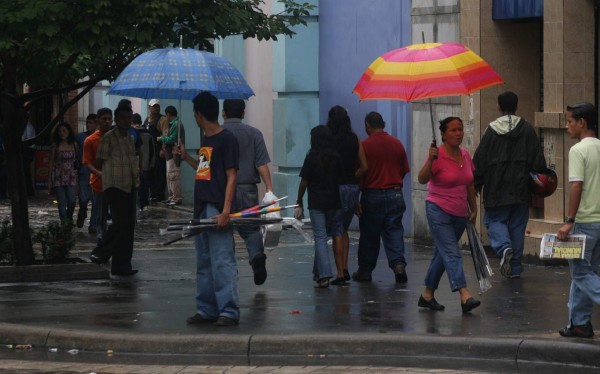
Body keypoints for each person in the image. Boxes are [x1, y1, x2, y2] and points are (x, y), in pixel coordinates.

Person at [175, 92, 240, 327]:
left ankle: (229, 310)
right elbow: (203, 171)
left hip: (217, 207)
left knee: (222, 259)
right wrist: (186, 157)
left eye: (194, 113)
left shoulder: (227, 139)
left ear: (199, 114)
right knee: (203, 260)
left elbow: (232, 175)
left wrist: (226, 210)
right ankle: (206, 309)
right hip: (202, 206)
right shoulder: (206, 140)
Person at [472, 91, 547, 278]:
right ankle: (514, 268)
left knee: (494, 220)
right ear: (517, 106)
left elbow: (479, 160)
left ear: (498, 106)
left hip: (496, 189)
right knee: (517, 226)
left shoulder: (490, 131)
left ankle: (504, 248)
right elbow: (538, 162)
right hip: (521, 189)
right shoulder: (527, 129)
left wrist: (476, 183)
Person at [417, 117, 480, 313]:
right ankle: (464, 294)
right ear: (443, 134)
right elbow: (422, 179)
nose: (458, 133)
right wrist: (431, 159)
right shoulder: (437, 155)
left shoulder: (465, 155)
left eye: (460, 129)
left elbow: (469, 183)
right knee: (452, 251)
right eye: (453, 130)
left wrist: (474, 208)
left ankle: (427, 295)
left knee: (442, 253)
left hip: (460, 213)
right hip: (438, 210)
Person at [556, 103, 600, 338]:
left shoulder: (578, 150)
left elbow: (576, 186)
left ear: (581, 122)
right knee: (587, 272)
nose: (566, 126)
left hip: (584, 222)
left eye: (569, 121)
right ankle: (579, 323)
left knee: (581, 273)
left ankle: (579, 322)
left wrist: (569, 220)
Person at [352, 112, 410, 284]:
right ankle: (399, 265)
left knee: (370, 234)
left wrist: (356, 197)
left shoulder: (364, 146)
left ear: (367, 126)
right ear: (383, 124)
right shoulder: (397, 144)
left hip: (372, 194)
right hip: (395, 192)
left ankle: (365, 271)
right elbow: (403, 170)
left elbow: (361, 174)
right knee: (394, 231)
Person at [222, 99, 272, 286]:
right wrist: (269, 189)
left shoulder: (216, 134)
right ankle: (257, 256)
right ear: (243, 113)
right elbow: (261, 164)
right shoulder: (254, 133)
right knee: (251, 229)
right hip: (247, 189)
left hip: (223, 190)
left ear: (223, 113)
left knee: (224, 230)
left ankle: (229, 268)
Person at [89, 104, 139, 276]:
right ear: (117, 120)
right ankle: (100, 252)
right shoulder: (108, 138)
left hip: (130, 185)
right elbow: (98, 161)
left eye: (129, 117)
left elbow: (133, 162)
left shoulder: (130, 138)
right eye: (123, 117)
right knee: (120, 222)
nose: (127, 120)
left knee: (128, 226)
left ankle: (122, 265)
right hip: (114, 185)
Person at [295, 125, 342, 288]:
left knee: (320, 237)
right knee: (325, 236)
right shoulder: (336, 157)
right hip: (334, 202)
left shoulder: (312, 157)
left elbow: (303, 182)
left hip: (316, 202)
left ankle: (324, 275)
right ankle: (318, 272)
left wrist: (299, 200)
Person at [325, 106, 367, 286]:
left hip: (335, 188)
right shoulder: (355, 138)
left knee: (336, 230)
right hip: (351, 188)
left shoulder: (328, 140)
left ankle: (340, 272)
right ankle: (346, 268)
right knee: (344, 229)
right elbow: (365, 167)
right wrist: (353, 176)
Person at [83, 108, 112, 240]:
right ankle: (101, 240)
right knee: (100, 214)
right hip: (99, 183)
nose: (107, 122)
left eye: (109, 119)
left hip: (117, 182)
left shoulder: (117, 137)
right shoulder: (90, 140)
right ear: (98, 121)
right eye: (104, 119)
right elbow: (87, 162)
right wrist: (98, 173)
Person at [47, 122, 78, 224]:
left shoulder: (74, 144)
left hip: (71, 176)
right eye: (60, 131)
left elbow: (78, 160)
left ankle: (69, 217)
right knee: (61, 203)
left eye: (64, 130)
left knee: (72, 201)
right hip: (58, 176)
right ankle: (64, 223)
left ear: (69, 132)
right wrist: (49, 180)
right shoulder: (55, 146)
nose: (62, 133)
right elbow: (51, 161)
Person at [157, 105, 185, 205]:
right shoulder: (173, 124)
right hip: (170, 155)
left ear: (168, 114)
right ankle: (172, 196)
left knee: (174, 175)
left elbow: (172, 139)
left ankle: (176, 197)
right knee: (170, 175)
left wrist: (162, 139)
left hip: (174, 154)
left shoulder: (176, 124)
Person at [75, 114, 97, 231]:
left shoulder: (100, 137)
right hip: (83, 172)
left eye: (91, 123)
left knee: (95, 200)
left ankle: (93, 225)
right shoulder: (79, 137)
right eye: (87, 122)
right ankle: (82, 214)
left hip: (96, 172)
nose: (88, 125)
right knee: (83, 199)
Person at [143, 99, 168, 202]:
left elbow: (165, 134)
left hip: (158, 149)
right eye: (154, 106)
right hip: (148, 151)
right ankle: (152, 193)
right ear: (149, 107)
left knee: (159, 172)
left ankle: (159, 194)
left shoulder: (163, 119)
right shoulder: (147, 120)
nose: (156, 108)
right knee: (149, 172)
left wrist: (163, 149)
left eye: (157, 106)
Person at [133, 113, 155, 212]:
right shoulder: (148, 134)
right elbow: (152, 151)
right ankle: (144, 204)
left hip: (134, 164)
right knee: (144, 185)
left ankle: (136, 205)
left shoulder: (131, 133)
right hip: (146, 164)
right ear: (141, 122)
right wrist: (151, 164)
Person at [22, 111, 36, 197]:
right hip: (25, 149)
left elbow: (29, 140)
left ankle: (29, 191)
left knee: (26, 171)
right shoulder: (23, 126)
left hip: (28, 150)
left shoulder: (29, 127)